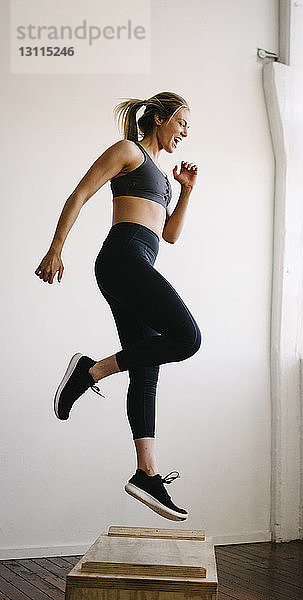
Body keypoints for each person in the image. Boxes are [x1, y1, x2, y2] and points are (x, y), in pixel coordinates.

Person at [34, 91, 202, 522]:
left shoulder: (163, 176)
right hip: (122, 258)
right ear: (160, 118)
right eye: (182, 122)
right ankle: (89, 371)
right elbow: (80, 193)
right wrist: (56, 249)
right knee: (187, 338)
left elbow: (170, 236)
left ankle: (146, 474)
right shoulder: (128, 151)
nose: (185, 132)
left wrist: (185, 192)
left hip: (138, 260)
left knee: (147, 372)